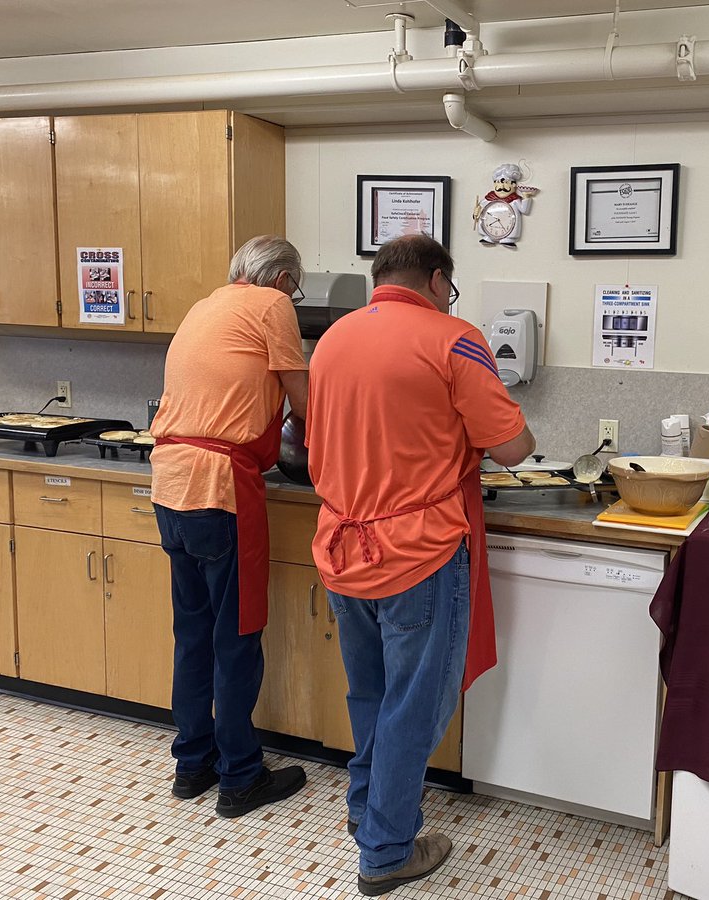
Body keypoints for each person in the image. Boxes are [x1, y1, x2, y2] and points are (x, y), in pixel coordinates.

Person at [306, 234, 534, 896]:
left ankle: (369, 815)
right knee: (415, 707)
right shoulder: (452, 337)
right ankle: (385, 852)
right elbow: (514, 447)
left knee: (372, 694)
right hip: (419, 552)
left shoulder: (332, 342)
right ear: (438, 280)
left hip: (342, 547)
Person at [150, 235, 310, 818]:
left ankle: (192, 764)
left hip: (169, 483)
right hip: (220, 486)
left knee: (192, 634)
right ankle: (241, 776)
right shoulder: (273, 307)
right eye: (295, 285)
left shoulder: (206, 304)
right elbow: (305, 399)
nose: (293, 294)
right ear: (283, 279)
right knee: (236, 639)